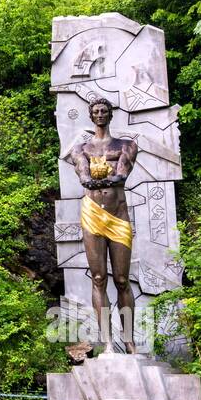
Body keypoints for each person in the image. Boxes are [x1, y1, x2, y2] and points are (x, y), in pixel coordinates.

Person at [68, 97, 137, 353]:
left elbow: (122, 174)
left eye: (104, 111)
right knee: (98, 278)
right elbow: (84, 177)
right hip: (93, 214)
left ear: (110, 115)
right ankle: (107, 342)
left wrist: (100, 178)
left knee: (121, 279)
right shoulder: (81, 149)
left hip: (118, 215)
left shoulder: (127, 145)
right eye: (96, 111)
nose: (99, 114)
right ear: (91, 116)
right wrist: (98, 178)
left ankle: (129, 341)